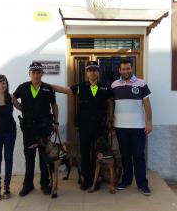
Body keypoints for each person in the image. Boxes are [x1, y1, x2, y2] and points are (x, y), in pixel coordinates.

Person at [52, 61, 113, 190]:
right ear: (86, 73)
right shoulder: (81, 86)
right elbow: (65, 90)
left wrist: (110, 119)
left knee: (97, 153)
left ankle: (97, 179)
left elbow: (110, 103)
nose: (92, 72)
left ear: (98, 72)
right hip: (84, 126)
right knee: (85, 153)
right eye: (90, 70)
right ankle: (87, 179)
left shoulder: (105, 87)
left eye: (95, 70)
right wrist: (47, 85)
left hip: (100, 127)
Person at [13, 61, 59, 196]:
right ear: (29, 74)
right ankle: (28, 185)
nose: (36, 75)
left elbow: (54, 105)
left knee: (44, 158)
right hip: (29, 130)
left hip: (44, 130)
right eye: (33, 72)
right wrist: (20, 108)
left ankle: (45, 184)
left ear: (42, 74)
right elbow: (13, 99)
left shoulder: (47, 88)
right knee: (29, 158)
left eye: (38, 72)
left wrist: (56, 122)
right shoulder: (23, 87)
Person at [111, 59, 153, 196]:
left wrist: (149, 122)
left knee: (139, 156)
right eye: (123, 69)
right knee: (125, 156)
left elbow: (147, 104)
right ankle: (126, 180)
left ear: (132, 68)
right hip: (120, 127)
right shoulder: (114, 85)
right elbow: (110, 104)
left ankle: (142, 184)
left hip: (138, 127)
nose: (126, 71)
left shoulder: (141, 83)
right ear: (119, 70)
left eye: (128, 68)